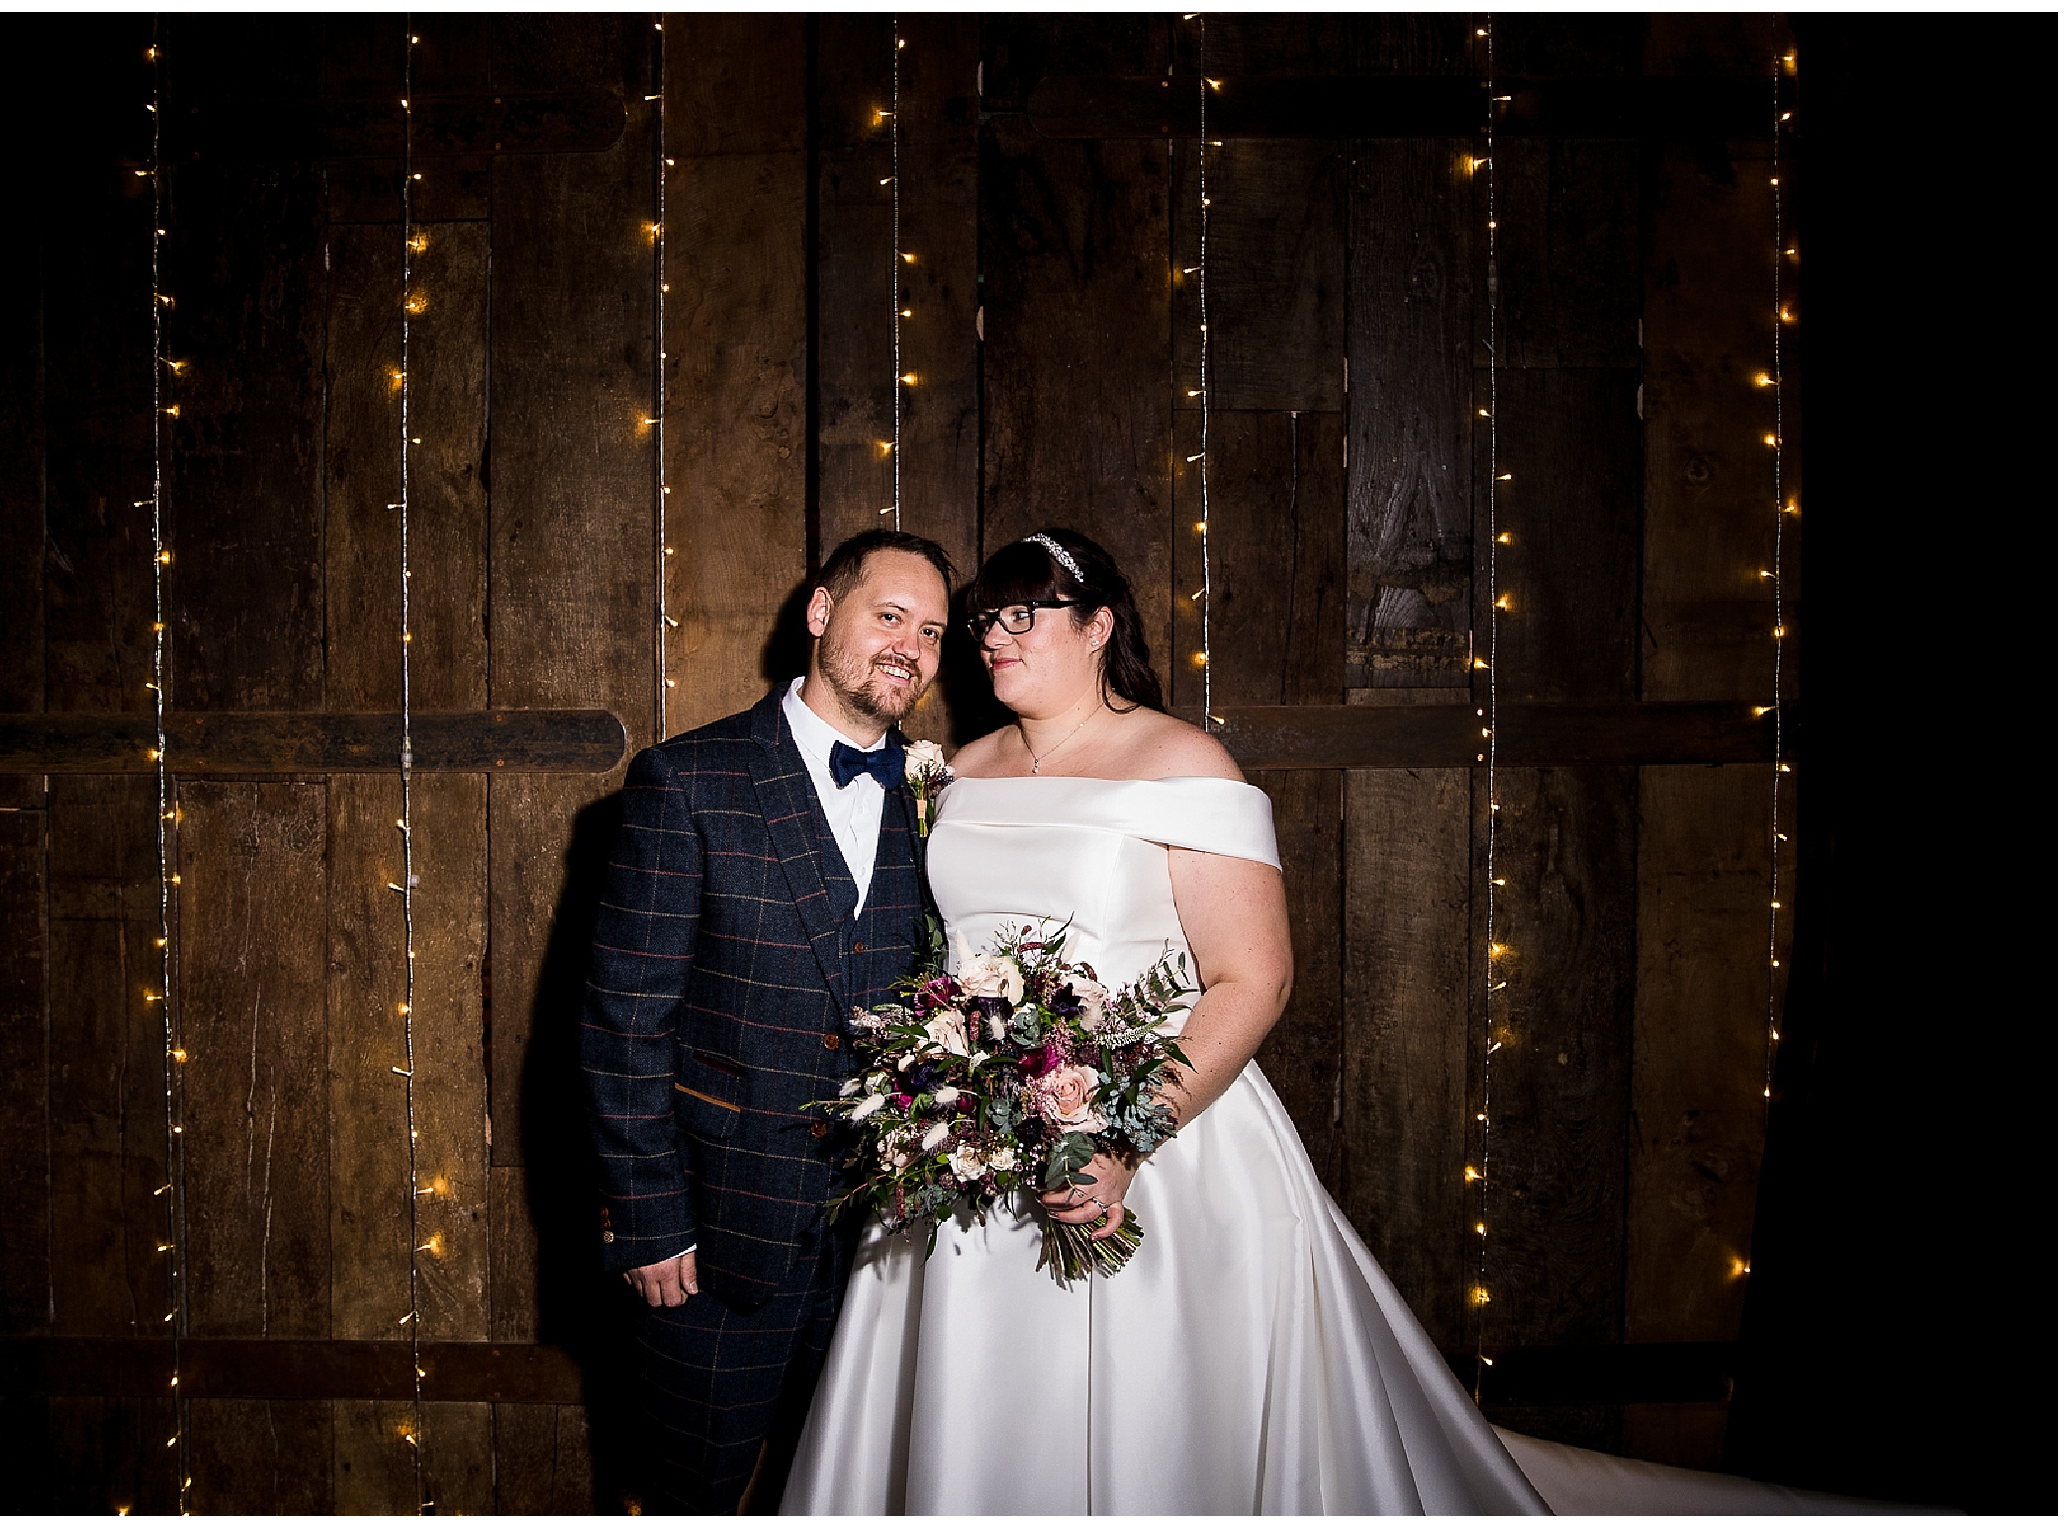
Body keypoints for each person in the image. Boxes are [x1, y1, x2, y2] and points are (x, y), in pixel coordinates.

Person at [779, 528, 1550, 1514]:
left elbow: (1253, 978)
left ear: (1099, 625)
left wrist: (1124, 1140)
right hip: (974, 1147)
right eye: (985, 620)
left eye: (1025, 614)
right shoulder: (960, 768)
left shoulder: (1186, 763)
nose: (993, 637)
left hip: (1163, 1146)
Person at [581, 528, 954, 1513]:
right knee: (683, 1494)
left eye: (932, 632)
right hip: (713, 1244)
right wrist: (650, 1219)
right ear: (821, 614)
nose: (910, 647)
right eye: (889, 616)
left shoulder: (941, 796)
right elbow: (624, 1023)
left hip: (888, 1252)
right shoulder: (687, 784)